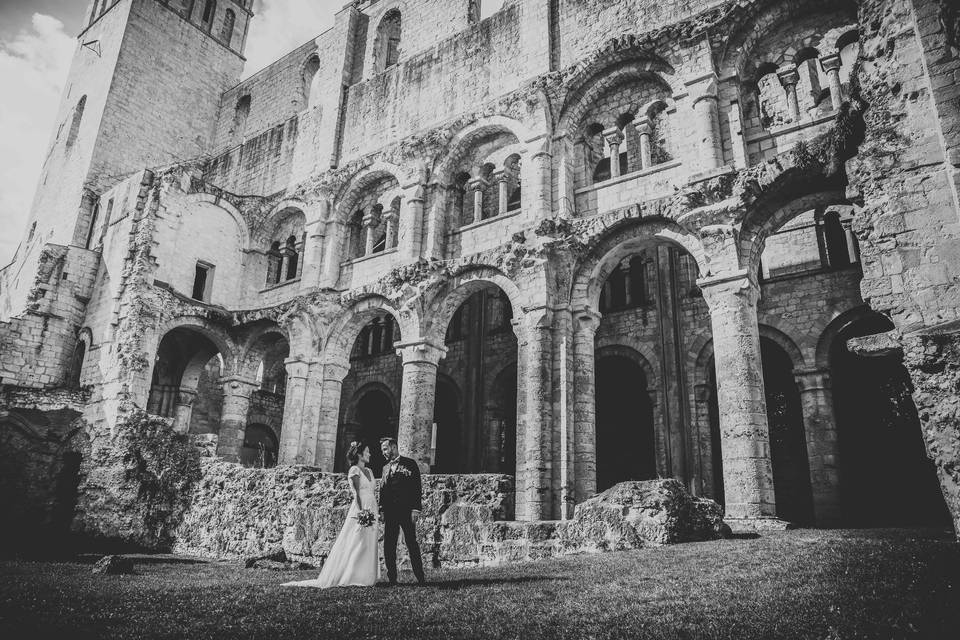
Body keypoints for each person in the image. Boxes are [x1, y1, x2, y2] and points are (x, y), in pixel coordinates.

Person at [282, 441, 379, 588]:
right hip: (361, 509)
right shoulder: (354, 470)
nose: (370, 454)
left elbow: (371, 491)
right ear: (359, 454)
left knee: (369, 541)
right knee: (357, 540)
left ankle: (367, 575)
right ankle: (351, 574)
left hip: (372, 506)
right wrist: (361, 513)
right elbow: (356, 493)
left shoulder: (370, 471)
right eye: (367, 451)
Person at [379, 437, 426, 586]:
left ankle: (420, 576)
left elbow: (416, 487)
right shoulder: (385, 468)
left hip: (407, 511)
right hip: (390, 512)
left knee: (412, 543)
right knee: (389, 545)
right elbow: (382, 490)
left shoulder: (410, 464)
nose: (383, 453)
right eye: (382, 450)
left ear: (393, 447)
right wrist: (381, 509)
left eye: (385, 449)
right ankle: (392, 578)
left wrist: (416, 509)